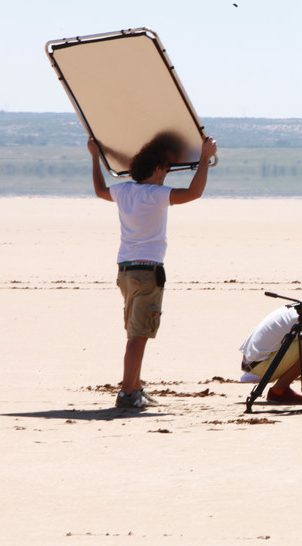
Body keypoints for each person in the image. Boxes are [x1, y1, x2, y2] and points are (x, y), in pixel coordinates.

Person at [89, 132, 217, 408]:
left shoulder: (123, 191)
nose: (167, 175)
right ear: (159, 169)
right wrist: (205, 159)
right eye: (167, 170)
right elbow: (194, 193)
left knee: (135, 333)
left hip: (125, 271)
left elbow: (100, 190)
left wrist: (95, 158)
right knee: (139, 336)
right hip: (147, 272)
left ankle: (134, 386)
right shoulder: (155, 195)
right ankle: (127, 393)